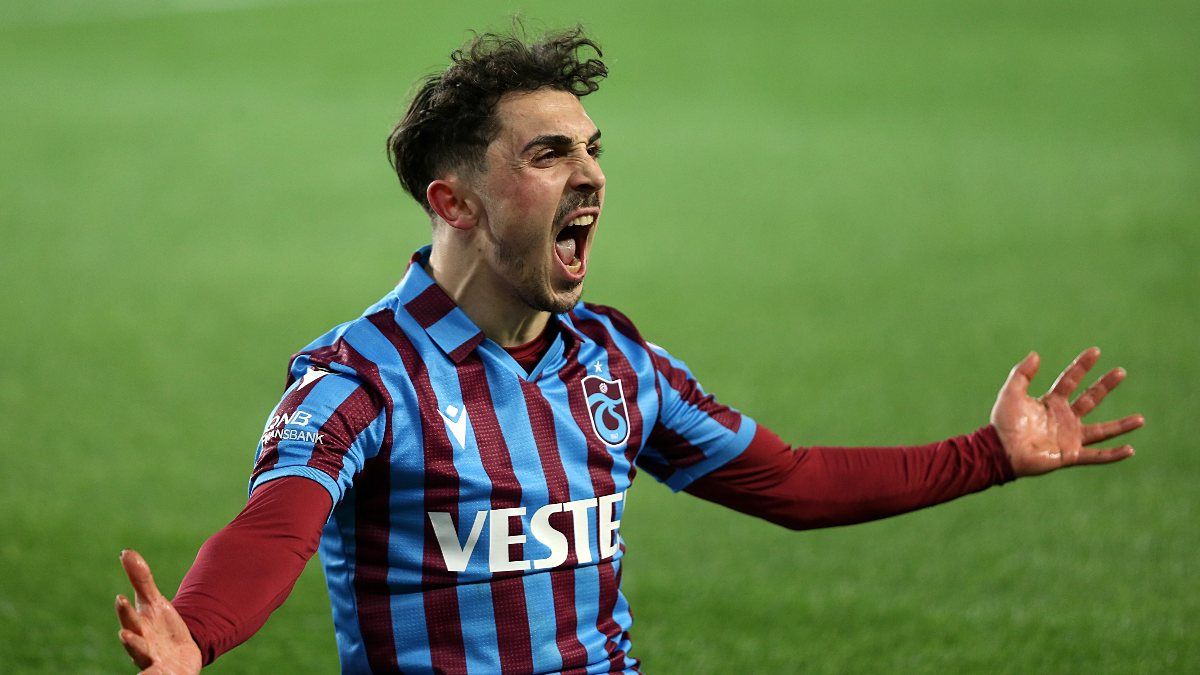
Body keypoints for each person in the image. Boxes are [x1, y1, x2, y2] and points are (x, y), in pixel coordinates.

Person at [115, 25, 1144, 674]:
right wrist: (197, 632)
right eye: (548, 153)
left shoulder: (615, 362)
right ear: (455, 203)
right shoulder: (360, 377)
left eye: (593, 148)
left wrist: (988, 455)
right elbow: (276, 529)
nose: (592, 174)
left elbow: (791, 482)